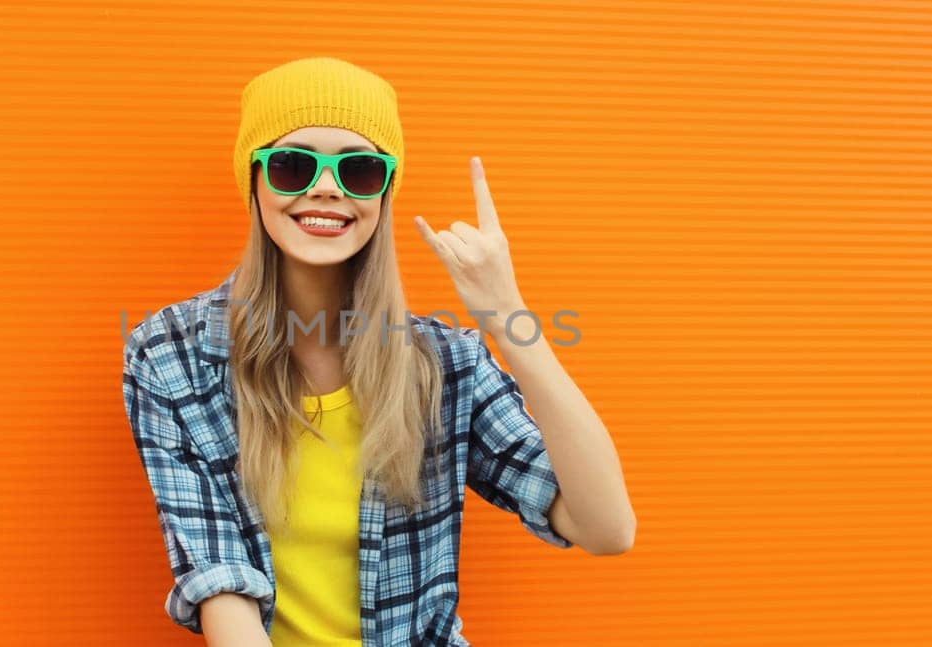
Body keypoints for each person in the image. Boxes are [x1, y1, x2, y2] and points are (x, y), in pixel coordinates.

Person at [122, 56, 636, 647]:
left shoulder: (444, 364)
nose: (324, 188)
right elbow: (220, 582)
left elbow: (606, 526)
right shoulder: (169, 356)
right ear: (255, 181)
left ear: (384, 192)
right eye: (292, 165)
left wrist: (507, 317)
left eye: (359, 170)